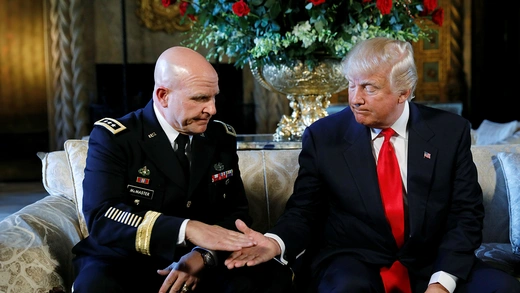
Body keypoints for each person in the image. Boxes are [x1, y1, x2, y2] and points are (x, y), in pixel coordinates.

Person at [224, 37, 520, 293]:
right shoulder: (324, 136)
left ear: (404, 92)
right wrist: (275, 242)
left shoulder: (449, 132)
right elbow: (304, 211)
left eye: (369, 88)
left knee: (501, 286)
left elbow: (465, 214)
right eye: (352, 85)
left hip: (433, 260)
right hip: (355, 260)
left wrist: (442, 281)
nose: (355, 99)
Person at [71, 46, 292, 293]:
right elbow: (102, 215)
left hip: (199, 259)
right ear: (163, 95)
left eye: (214, 97)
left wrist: (204, 256)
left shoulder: (219, 135)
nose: (212, 109)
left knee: (269, 277)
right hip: (124, 258)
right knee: (96, 286)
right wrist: (186, 228)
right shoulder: (116, 137)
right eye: (200, 98)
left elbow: (236, 213)